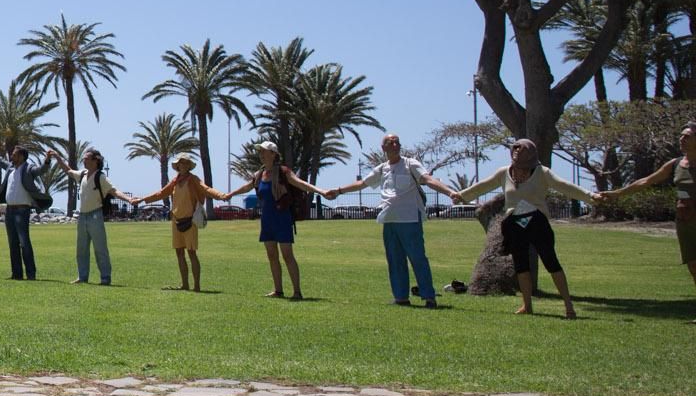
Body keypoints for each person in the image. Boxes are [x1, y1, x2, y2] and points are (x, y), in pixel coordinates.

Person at [455, 139, 599, 318]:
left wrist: (591, 196)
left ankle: (569, 306)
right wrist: (461, 196)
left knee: (551, 262)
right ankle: (527, 305)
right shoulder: (504, 173)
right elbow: (483, 186)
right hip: (514, 223)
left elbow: (565, 187)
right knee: (521, 265)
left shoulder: (542, 173)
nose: (521, 165)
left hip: (537, 222)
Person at [325, 133, 459, 308]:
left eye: (397, 142)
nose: (395, 144)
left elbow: (427, 179)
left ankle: (429, 296)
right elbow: (362, 184)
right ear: (384, 148)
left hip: (410, 219)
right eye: (390, 142)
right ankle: (401, 297)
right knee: (395, 260)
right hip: (389, 220)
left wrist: (450, 192)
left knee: (418, 258)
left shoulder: (411, 164)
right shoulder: (382, 169)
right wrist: (338, 190)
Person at [222, 142, 328, 301]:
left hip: (282, 218)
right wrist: (230, 194)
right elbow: (246, 187)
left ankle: (297, 292)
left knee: (287, 255)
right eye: (261, 152)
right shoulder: (259, 174)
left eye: (264, 152)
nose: (261, 154)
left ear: (273, 154)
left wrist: (321, 191)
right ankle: (278, 290)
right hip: (267, 220)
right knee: (272, 255)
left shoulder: (283, 172)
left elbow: (300, 183)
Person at [604, 121, 696, 294]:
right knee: (693, 265)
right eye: (681, 136)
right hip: (685, 220)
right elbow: (646, 181)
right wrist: (617, 193)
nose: (682, 139)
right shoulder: (676, 164)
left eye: (687, 136)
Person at [133, 154, 227, 292]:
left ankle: (196, 286)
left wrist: (221, 196)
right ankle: (184, 284)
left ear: (189, 165)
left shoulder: (193, 179)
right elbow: (160, 193)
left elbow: (206, 189)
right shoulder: (175, 181)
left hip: (190, 221)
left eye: (184, 163)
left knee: (192, 253)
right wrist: (142, 199)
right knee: (179, 253)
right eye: (179, 163)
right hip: (176, 220)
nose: (181, 165)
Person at [46, 146, 136, 285]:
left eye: (87, 159)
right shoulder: (82, 174)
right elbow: (68, 171)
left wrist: (129, 199)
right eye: (84, 159)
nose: (84, 161)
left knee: (100, 248)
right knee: (81, 249)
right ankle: (82, 277)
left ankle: (105, 278)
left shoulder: (101, 177)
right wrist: (57, 157)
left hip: (95, 215)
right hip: (82, 216)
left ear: (96, 161)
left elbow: (114, 191)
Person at [0, 132, 50, 280]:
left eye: (14, 154)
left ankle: (31, 273)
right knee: (12, 243)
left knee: (24, 242)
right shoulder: (10, 168)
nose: (11, 156)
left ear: (21, 156)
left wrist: (47, 161)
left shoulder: (29, 169)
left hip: (22, 210)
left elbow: (41, 170)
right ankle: (16, 274)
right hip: (10, 211)